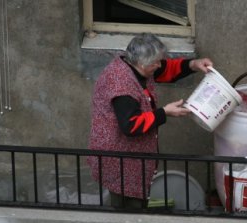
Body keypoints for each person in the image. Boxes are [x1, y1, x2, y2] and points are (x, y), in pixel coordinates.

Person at [87, 33, 213, 208]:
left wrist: (194, 64)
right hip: (120, 160)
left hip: (131, 158)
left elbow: (166, 70)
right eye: (156, 62)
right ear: (142, 63)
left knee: (133, 200)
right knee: (129, 206)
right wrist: (164, 113)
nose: (160, 65)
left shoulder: (135, 64)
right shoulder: (121, 85)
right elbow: (131, 125)